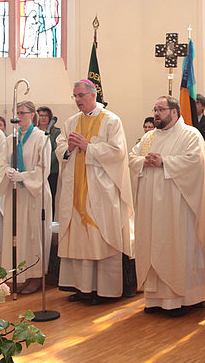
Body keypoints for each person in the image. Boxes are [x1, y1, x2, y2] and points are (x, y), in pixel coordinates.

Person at [128, 95, 205, 317]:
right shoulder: (148, 138)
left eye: (161, 109)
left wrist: (164, 162)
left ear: (174, 112)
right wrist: (143, 161)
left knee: (176, 247)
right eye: (155, 109)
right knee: (152, 246)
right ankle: (154, 299)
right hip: (150, 208)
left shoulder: (190, 135)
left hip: (177, 208)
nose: (156, 114)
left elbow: (196, 162)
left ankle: (184, 300)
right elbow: (132, 158)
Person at [56, 80, 134, 305]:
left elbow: (118, 152)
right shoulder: (71, 122)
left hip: (100, 193)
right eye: (75, 96)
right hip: (75, 191)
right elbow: (60, 148)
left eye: (81, 95)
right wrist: (69, 148)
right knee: (78, 240)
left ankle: (104, 290)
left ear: (93, 95)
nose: (77, 100)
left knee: (100, 239)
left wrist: (88, 147)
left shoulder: (111, 120)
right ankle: (82, 288)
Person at [0, 100, 52, 295]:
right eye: (16, 113)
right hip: (16, 194)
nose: (18, 116)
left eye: (22, 113)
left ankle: (35, 276)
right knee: (16, 234)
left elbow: (44, 168)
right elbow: (1, 163)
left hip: (34, 194)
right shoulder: (11, 138)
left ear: (32, 114)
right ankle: (18, 275)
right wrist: (7, 172)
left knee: (33, 234)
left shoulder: (41, 137)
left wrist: (24, 177)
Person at [37, 106, 61, 218]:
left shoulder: (56, 132)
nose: (43, 118)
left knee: (51, 197)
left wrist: (45, 163)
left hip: (52, 170)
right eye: (41, 115)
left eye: (46, 115)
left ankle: (50, 220)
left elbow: (56, 150)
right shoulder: (35, 131)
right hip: (37, 171)